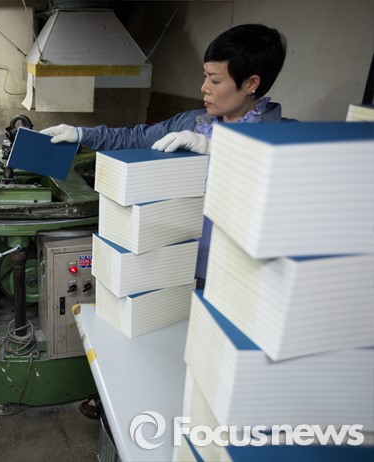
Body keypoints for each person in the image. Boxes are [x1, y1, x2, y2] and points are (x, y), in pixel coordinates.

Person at [41, 23, 290, 286]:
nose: (204, 87)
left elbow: (272, 180)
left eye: (215, 80)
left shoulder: (285, 140)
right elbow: (136, 137)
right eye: (205, 76)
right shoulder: (192, 123)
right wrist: (81, 134)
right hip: (177, 261)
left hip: (236, 276)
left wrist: (214, 148)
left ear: (251, 83)